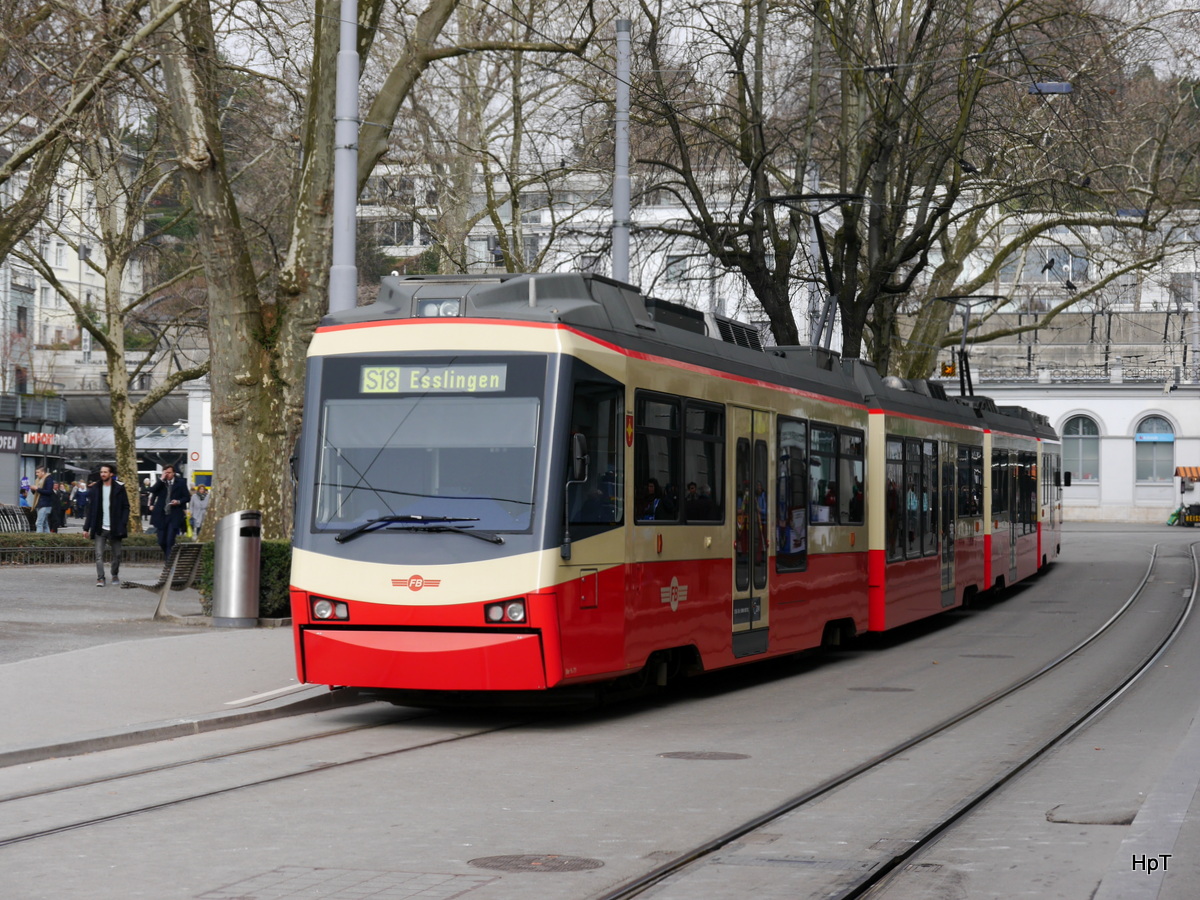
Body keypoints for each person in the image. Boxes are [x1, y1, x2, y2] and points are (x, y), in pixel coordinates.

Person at [82, 464, 130, 587]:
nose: (102, 474)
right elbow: (91, 510)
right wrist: (86, 528)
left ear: (111, 474)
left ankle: (114, 574)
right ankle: (100, 578)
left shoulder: (119, 488)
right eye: (101, 472)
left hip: (115, 527)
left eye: (105, 472)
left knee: (117, 555)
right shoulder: (96, 488)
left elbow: (126, 506)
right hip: (100, 527)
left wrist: (123, 522)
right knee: (98, 555)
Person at [149, 464, 189, 558]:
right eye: (165, 472)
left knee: (170, 540)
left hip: (174, 515)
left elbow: (187, 497)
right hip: (161, 515)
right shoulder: (161, 483)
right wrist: (161, 479)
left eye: (169, 472)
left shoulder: (181, 482)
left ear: (174, 473)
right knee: (161, 541)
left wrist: (178, 502)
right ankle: (169, 558)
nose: (167, 474)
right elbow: (153, 490)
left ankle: (168, 563)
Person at [31, 466, 55, 532]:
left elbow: (49, 491)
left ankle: (38, 539)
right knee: (44, 523)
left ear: (43, 472)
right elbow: (35, 493)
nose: (36, 474)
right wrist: (33, 489)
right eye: (36, 472)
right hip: (39, 503)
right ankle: (47, 538)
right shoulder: (37, 480)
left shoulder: (48, 479)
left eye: (38, 472)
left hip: (45, 504)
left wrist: (37, 489)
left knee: (39, 523)